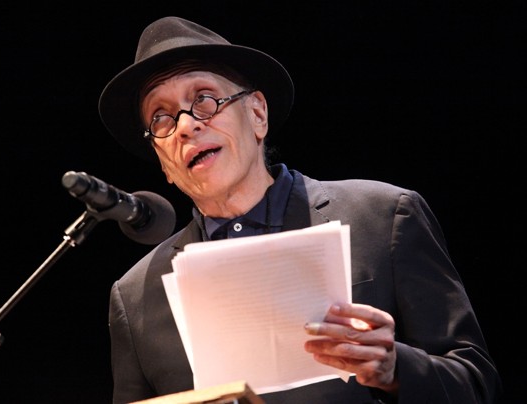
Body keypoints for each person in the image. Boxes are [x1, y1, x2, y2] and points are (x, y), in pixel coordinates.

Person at [98, 16, 502, 403]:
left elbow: (476, 385)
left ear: (257, 113)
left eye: (203, 99)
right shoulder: (136, 296)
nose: (185, 126)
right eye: (161, 118)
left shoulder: (384, 218)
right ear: (162, 159)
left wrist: (396, 369)